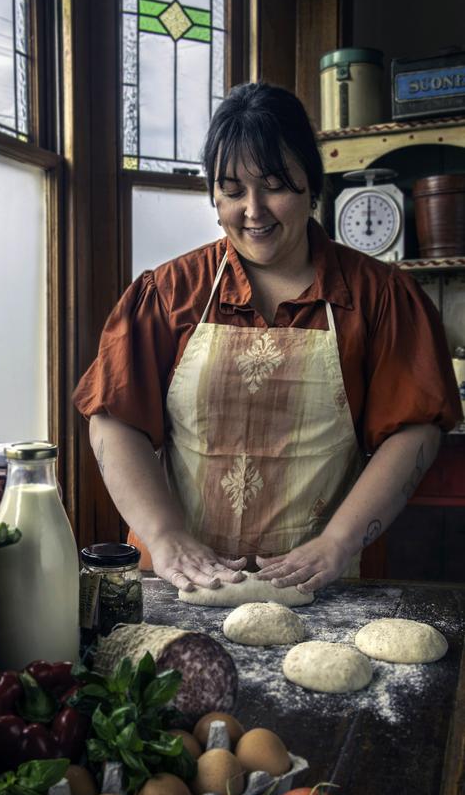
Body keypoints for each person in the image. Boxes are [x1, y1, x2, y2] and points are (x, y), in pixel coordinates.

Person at [73, 81, 462, 596]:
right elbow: (114, 419)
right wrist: (166, 538)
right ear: (213, 194)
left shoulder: (379, 298)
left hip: (326, 582)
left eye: (274, 184)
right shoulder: (169, 294)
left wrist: (338, 542)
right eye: (232, 190)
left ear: (312, 184)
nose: (252, 210)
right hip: (180, 582)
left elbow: (412, 431)